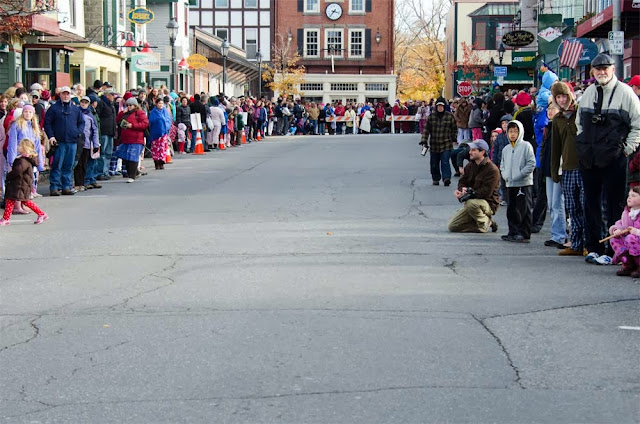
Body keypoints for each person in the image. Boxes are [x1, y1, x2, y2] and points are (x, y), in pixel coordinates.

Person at [575, 53, 640, 262]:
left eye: (606, 68)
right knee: (590, 203)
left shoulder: (626, 93)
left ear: (613, 69)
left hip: (614, 158)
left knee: (615, 204)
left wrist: (626, 149)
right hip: (589, 157)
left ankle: (614, 250)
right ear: (593, 71)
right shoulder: (588, 93)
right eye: (598, 68)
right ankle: (593, 246)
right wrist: (582, 144)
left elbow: (638, 125)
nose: (602, 72)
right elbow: (579, 123)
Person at [550, 81, 585, 256]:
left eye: (564, 96)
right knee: (572, 208)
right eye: (558, 97)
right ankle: (577, 244)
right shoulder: (558, 119)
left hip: (585, 166)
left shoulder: (582, 111)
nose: (562, 100)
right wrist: (555, 170)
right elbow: (555, 147)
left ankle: (590, 243)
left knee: (587, 206)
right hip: (568, 167)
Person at [448, 139, 500, 233]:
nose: (470, 152)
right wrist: (461, 191)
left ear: (482, 152)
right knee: (452, 226)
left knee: (471, 203)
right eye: (470, 149)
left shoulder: (492, 169)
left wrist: (469, 192)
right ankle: (488, 222)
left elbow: (486, 192)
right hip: (473, 202)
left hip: (488, 203)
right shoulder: (470, 166)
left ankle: (483, 224)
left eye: (473, 150)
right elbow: (462, 181)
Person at [44, 86, 85, 196]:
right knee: (57, 165)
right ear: (60, 95)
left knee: (69, 165)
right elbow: (47, 123)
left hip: (72, 141)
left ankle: (66, 186)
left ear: (70, 95)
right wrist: (51, 136)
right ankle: (54, 187)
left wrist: (77, 132)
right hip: (59, 141)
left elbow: (81, 123)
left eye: (68, 94)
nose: (66, 96)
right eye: (64, 94)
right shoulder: (53, 108)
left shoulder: (76, 109)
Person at [500, 120, 536, 243]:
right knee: (511, 208)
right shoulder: (506, 149)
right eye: (510, 131)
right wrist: (505, 175)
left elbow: (531, 163)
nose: (513, 134)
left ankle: (524, 233)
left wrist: (520, 174)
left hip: (523, 183)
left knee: (523, 209)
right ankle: (513, 231)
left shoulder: (526, 146)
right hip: (510, 183)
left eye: (515, 131)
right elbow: (502, 164)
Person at [539, 97, 567, 249]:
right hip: (548, 169)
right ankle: (556, 233)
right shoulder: (548, 127)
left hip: (559, 169)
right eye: (548, 109)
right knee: (551, 204)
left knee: (557, 203)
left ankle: (560, 235)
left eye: (553, 109)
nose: (550, 112)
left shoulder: (560, 126)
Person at [0, 139, 48, 225]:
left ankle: (41, 214)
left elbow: (17, 171)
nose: (18, 147)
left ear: (25, 148)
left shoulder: (22, 161)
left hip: (19, 185)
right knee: (14, 200)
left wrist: (9, 176)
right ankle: (6, 218)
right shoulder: (26, 160)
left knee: (17, 200)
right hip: (21, 184)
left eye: (20, 146)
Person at [421, 97, 457, 186]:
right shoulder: (431, 117)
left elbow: (454, 129)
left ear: (444, 107)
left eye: (442, 106)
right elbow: (426, 130)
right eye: (438, 106)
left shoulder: (449, 116)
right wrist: (424, 141)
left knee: (445, 161)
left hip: (446, 143)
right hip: (434, 144)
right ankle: (436, 178)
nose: (440, 108)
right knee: (434, 163)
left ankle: (446, 178)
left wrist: (454, 137)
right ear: (436, 107)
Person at [115, 98, 148, 183]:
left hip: (136, 139)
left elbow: (145, 124)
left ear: (135, 105)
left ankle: (132, 176)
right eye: (127, 105)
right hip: (125, 139)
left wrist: (132, 125)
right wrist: (122, 112)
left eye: (131, 105)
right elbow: (117, 120)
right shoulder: (125, 113)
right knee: (125, 157)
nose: (129, 107)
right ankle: (135, 172)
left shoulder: (139, 113)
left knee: (132, 157)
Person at [609, 187, 640, 276]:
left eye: (633, 196)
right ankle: (628, 263)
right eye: (629, 196)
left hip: (636, 239)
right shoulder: (627, 212)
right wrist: (617, 230)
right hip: (631, 241)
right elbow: (621, 223)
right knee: (615, 239)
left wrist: (637, 232)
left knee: (630, 238)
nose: (629, 198)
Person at [73, 96, 101, 190]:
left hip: (87, 144)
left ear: (88, 104)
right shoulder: (76, 113)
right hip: (77, 142)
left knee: (84, 164)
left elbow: (95, 130)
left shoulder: (90, 116)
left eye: (86, 102)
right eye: (82, 102)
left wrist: (96, 144)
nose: (84, 104)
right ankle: (77, 183)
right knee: (78, 164)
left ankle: (83, 183)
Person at [148, 97, 172, 170]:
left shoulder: (165, 112)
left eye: (162, 103)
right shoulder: (153, 112)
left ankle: (161, 162)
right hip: (155, 134)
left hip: (164, 134)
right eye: (159, 103)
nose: (160, 105)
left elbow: (168, 120)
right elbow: (151, 121)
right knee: (156, 148)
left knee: (162, 148)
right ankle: (156, 162)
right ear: (156, 104)